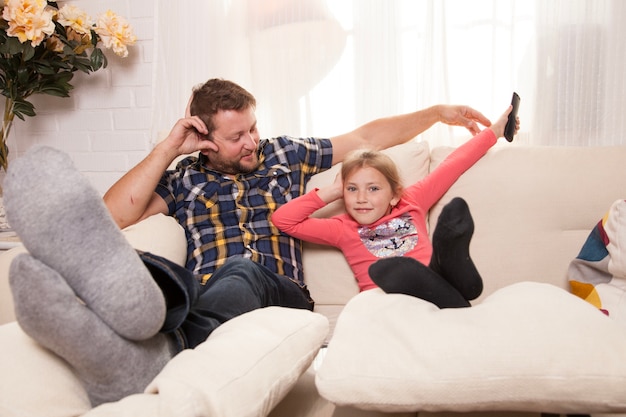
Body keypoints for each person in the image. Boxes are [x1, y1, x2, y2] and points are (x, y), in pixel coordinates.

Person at [4, 78, 493, 406]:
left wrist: (436, 112)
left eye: (253, 127)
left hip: (281, 296)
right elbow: (114, 214)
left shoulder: (285, 154)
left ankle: (159, 349)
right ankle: (133, 324)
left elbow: (365, 135)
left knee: (242, 270)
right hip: (206, 295)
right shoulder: (183, 179)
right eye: (237, 136)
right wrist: (169, 147)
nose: (253, 141)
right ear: (206, 138)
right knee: (166, 275)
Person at [273, 107, 518, 308]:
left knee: (424, 278)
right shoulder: (342, 228)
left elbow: (453, 164)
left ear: (394, 195)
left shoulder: (411, 201)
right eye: (352, 189)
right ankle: (453, 275)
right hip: (384, 304)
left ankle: (450, 258)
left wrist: (494, 132)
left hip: (432, 299)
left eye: (373, 189)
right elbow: (284, 220)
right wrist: (332, 191)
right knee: (392, 274)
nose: (361, 198)